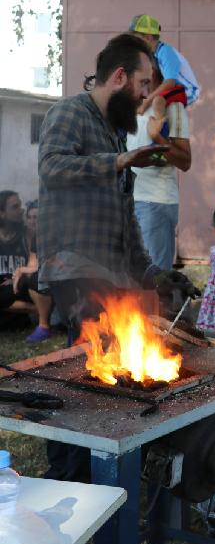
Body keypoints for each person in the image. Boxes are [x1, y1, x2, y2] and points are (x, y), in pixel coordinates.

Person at [38, 33, 173, 482]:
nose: (145, 95)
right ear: (118, 76)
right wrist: (116, 164)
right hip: (72, 265)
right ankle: (68, 474)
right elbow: (52, 168)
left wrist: (153, 273)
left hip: (113, 273)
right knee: (87, 367)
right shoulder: (69, 113)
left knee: (114, 369)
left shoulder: (117, 136)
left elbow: (126, 218)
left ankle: (101, 467)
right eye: (141, 83)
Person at [126, 66, 191, 270]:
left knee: (155, 283)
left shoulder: (173, 107)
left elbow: (185, 161)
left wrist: (157, 137)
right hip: (125, 201)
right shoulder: (127, 103)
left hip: (155, 203)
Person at [0, 191, 52, 336]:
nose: (21, 209)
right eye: (15, 207)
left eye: (20, 205)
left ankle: (36, 311)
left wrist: (16, 278)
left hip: (20, 285)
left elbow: (34, 265)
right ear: (2, 213)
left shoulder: (27, 234)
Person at [129, 14, 200, 109]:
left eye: (136, 40)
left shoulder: (165, 51)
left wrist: (147, 101)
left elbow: (170, 82)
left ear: (148, 38)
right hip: (175, 89)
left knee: (157, 101)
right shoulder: (154, 54)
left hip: (187, 90)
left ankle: (159, 124)